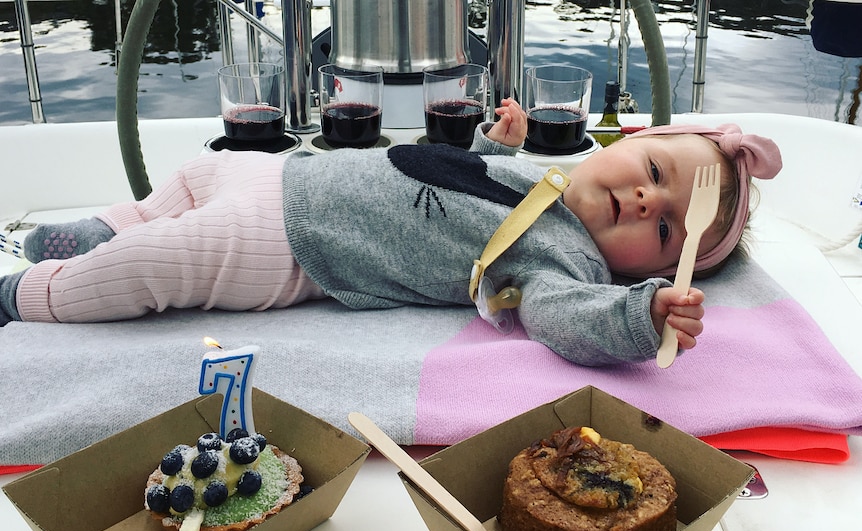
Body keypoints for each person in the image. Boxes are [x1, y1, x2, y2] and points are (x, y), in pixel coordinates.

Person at [0, 99, 782, 366]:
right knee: (178, 185)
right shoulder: (545, 178)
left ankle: (35, 293)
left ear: (648, 268)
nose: (646, 199)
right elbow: (465, 177)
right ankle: (96, 227)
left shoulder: (560, 262)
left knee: (157, 262)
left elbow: (558, 320)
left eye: (669, 224)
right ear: (621, 143)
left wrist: (638, 317)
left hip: (296, 244)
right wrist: (497, 146)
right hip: (289, 172)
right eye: (652, 168)